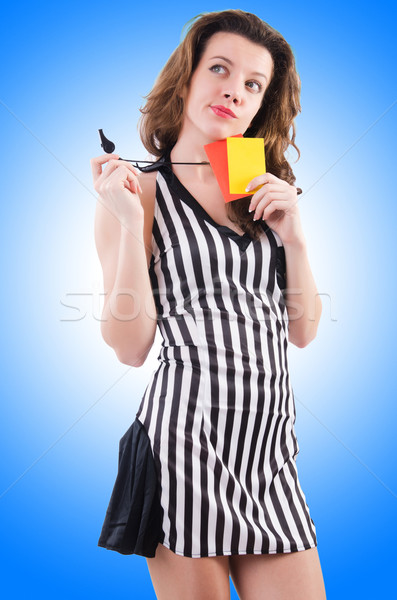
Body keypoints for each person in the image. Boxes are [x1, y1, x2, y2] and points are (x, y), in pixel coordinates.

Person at [90, 9, 327, 600]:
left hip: (269, 450)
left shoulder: (262, 188)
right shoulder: (138, 191)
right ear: (187, 78)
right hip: (184, 446)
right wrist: (126, 227)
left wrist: (295, 237)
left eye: (253, 83)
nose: (233, 90)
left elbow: (303, 331)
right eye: (219, 68)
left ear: (262, 104)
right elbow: (130, 346)